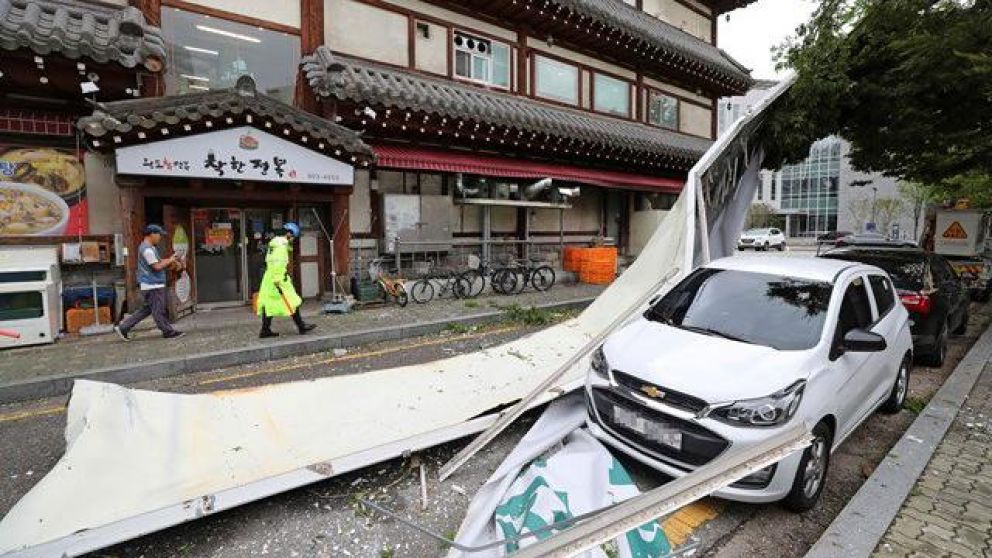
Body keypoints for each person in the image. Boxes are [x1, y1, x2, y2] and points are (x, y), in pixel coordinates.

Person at [114, 224, 185, 341]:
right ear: (152, 234)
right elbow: (157, 266)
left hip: (150, 284)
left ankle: (123, 328)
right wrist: (171, 260)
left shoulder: (149, 248)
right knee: (159, 311)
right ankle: (168, 332)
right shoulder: (147, 250)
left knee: (146, 310)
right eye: (159, 235)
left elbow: (159, 261)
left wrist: (170, 259)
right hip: (153, 284)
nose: (160, 237)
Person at [257, 222, 315, 338]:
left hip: (270, 278)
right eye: (293, 236)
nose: (293, 239)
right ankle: (301, 326)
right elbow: (277, 263)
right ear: (289, 234)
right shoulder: (281, 246)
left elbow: (270, 261)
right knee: (293, 300)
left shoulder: (274, 244)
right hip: (278, 278)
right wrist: (279, 281)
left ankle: (265, 330)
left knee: (269, 304)